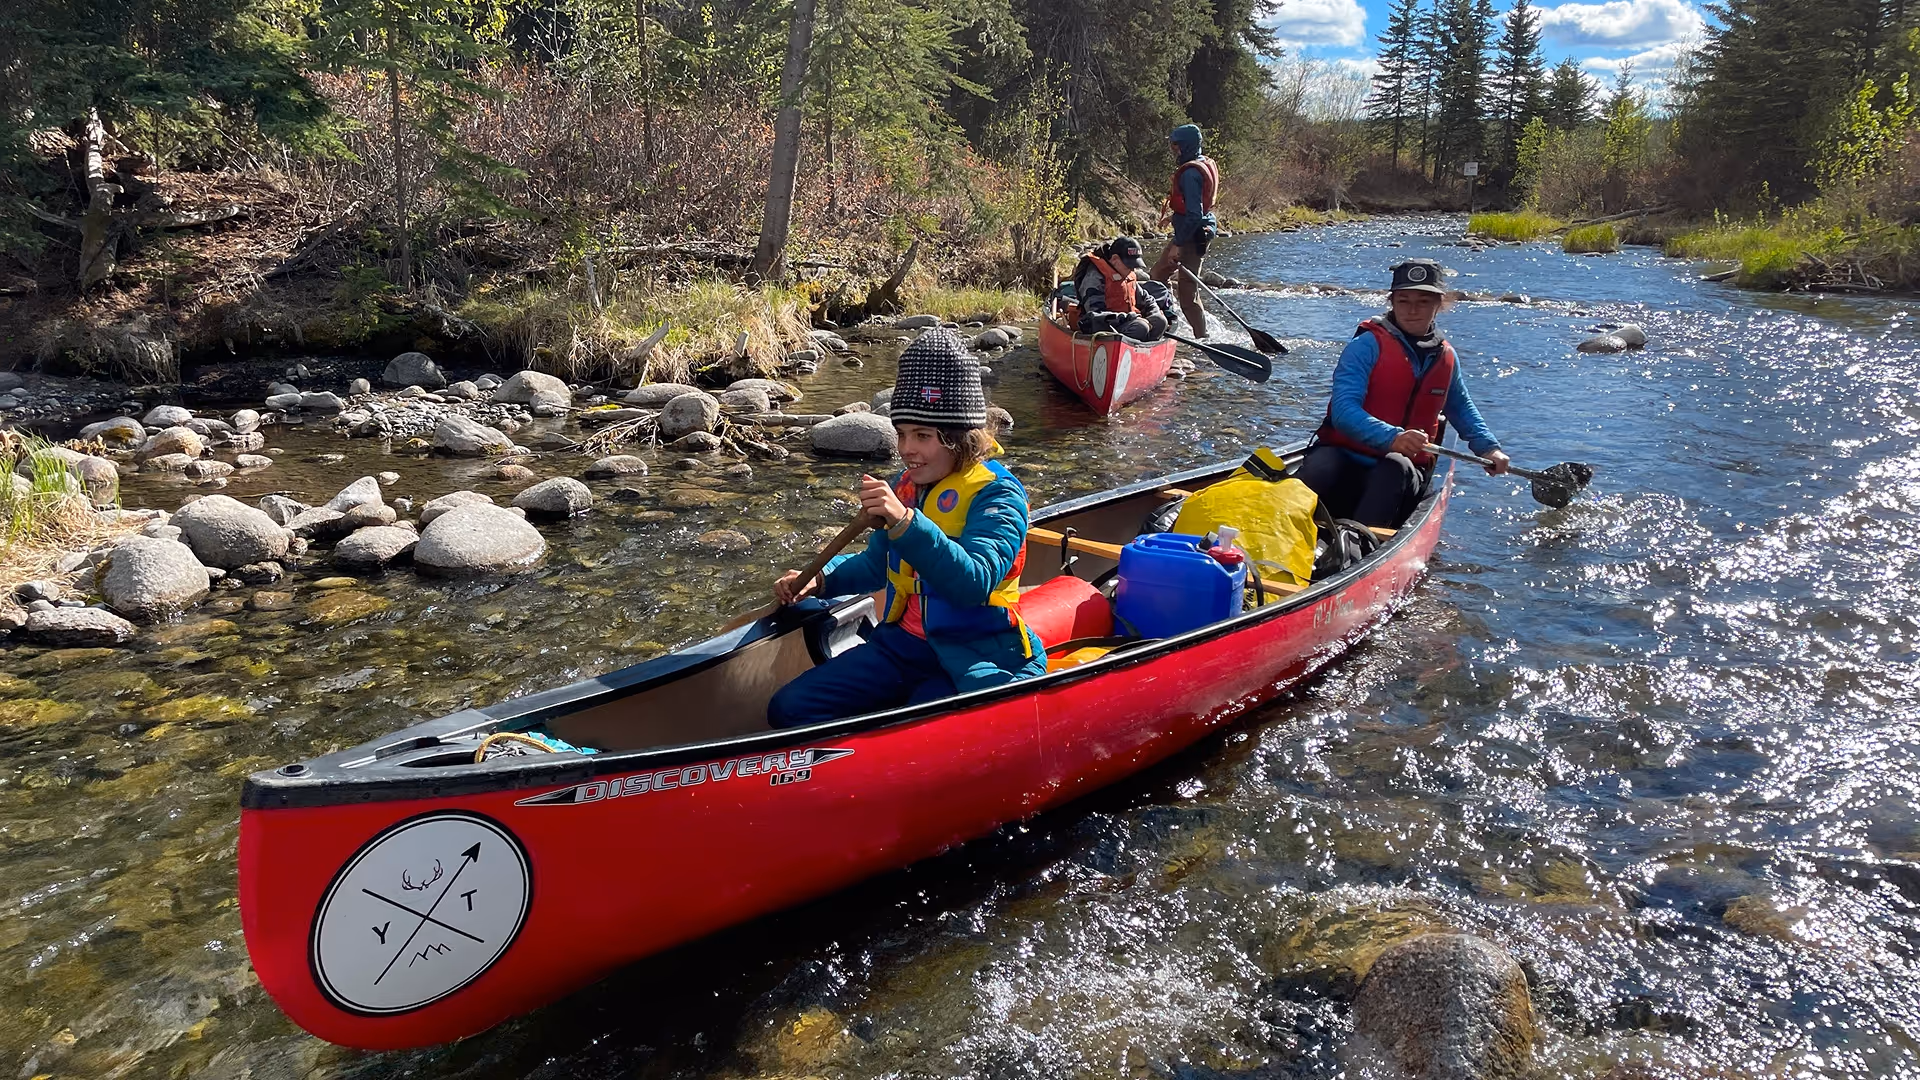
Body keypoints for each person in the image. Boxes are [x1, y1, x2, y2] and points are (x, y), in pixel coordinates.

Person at [766, 330, 1047, 728]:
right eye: (901, 433)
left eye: (922, 436)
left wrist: (904, 522)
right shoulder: (908, 486)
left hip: (976, 651)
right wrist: (821, 581)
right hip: (903, 646)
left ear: (958, 439)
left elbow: (974, 583)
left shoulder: (999, 495)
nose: (906, 449)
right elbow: (877, 566)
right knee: (789, 707)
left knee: (913, 718)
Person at [1296, 259, 1510, 529]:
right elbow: (1343, 411)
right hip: (1347, 455)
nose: (1412, 310)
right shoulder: (1365, 346)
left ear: (1438, 304)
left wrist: (1489, 448)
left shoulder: (1446, 357)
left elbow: (1461, 407)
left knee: (1394, 465)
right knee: (1321, 466)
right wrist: (1393, 436)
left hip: (1402, 471)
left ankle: (1358, 543)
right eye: (1403, 301)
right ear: (1392, 302)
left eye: (1423, 302)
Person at [1151, 123, 1219, 337]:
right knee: (1158, 274)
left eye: (1177, 146)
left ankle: (1202, 338)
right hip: (1194, 229)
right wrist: (1174, 217)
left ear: (1187, 146)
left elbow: (1194, 214)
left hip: (1193, 236)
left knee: (1187, 292)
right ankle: (1168, 319)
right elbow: (1195, 207)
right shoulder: (1200, 163)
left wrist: (1178, 245)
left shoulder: (1190, 174)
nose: (1175, 151)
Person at [1071, 236, 1177, 340]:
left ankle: (1144, 349)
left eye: (1134, 266)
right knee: (1140, 327)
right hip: (1103, 326)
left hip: (1126, 321)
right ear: (1115, 259)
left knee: (1160, 321)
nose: (1132, 270)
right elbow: (1095, 314)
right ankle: (1132, 349)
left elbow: (1146, 299)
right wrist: (1130, 318)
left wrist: (1154, 312)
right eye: (1129, 265)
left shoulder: (1127, 274)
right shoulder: (1094, 277)